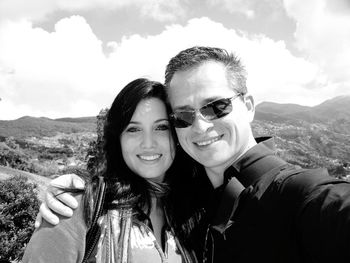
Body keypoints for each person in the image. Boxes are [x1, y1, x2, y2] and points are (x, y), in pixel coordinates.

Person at [35, 46, 350, 262]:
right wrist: (78, 188)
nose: (200, 126)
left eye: (216, 107)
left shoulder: (299, 194)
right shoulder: (191, 204)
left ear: (249, 106)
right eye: (183, 116)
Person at [22, 78, 202, 263]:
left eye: (161, 127)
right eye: (133, 129)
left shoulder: (191, 212)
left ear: (176, 134)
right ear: (118, 139)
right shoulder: (77, 208)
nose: (148, 143)